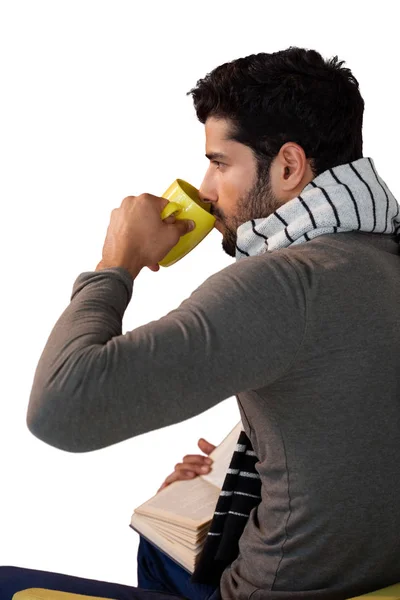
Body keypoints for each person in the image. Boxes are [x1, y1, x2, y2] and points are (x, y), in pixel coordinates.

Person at [2, 45, 400, 599]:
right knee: (162, 545)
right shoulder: (384, 258)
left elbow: (60, 409)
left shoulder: (281, 284)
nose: (208, 193)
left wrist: (117, 263)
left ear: (288, 165)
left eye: (218, 163)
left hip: (281, 590)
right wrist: (232, 473)